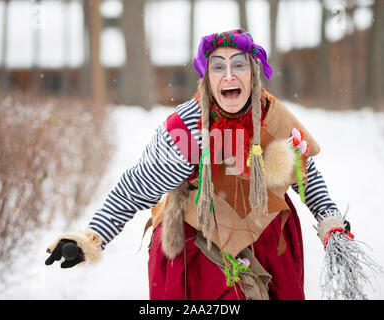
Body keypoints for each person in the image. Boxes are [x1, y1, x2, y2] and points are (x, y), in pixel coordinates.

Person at [45, 29, 362, 300]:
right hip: (200, 248)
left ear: (253, 72)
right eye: (217, 67)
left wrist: (329, 222)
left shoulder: (272, 116)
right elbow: (135, 188)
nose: (228, 75)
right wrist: (90, 237)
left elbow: (305, 176)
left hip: (269, 242)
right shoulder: (187, 130)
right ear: (208, 78)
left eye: (238, 65)